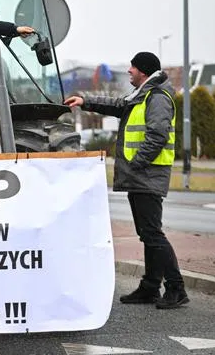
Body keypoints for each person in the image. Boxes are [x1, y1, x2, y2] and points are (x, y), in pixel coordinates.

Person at [64, 51, 187, 309]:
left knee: (152, 233)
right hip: (141, 175)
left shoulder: (157, 97)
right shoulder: (142, 95)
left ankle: (176, 288)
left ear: (143, 71)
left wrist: (136, 163)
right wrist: (85, 101)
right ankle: (150, 287)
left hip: (147, 174)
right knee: (147, 234)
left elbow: (158, 135)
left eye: (133, 67)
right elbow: (118, 106)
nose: (129, 71)